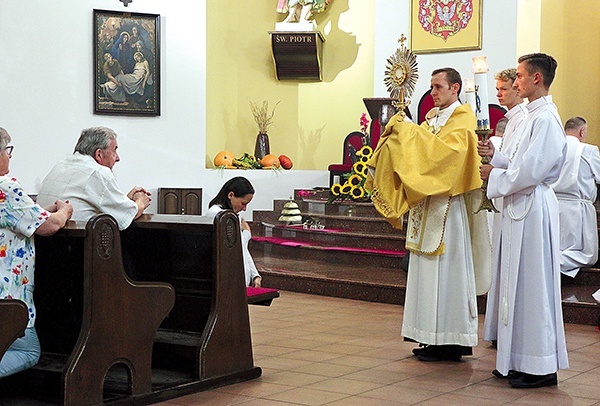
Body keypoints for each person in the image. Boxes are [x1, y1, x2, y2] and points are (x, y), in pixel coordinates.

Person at [366, 67, 490, 362]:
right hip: (426, 205)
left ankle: (451, 340)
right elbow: (416, 155)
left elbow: (446, 157)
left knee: (447, 273)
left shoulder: (464, 120)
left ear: (455, 88)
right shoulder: (432, 120)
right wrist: (399, 133)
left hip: (449, 209)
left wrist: (409, 131)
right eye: (431, 87)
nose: (432, 92)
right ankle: (428, 335)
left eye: (438, 87)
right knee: (425, 273)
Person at [479, 53, 569, 388]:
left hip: (533, 207)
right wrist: (498, 159)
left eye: (518, 76)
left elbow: (533, 170)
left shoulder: (546, 118)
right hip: (522, 206)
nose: (514, 83)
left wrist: (495, 176)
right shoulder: (532, 117)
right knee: (518, 289)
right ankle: (519, 360)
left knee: (533, 289)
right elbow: (520, 160)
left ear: (535, 79)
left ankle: (541, 366)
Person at [0, 127, 73, 378]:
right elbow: (49, 226)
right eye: (7, 150)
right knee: (28, 351)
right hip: (8, 294)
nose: (10, 156)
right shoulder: (5, 186)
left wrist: (43, 209)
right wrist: (63, 211)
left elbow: (15, 217)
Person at [483, 68, 528, 346]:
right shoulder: (511, 120)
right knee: (500, 265)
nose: (498, 93)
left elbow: (523, 166)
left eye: (503, 88)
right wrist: (494, 155)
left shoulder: (525, 119)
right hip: (507, 198)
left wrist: (495, 171)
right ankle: (500, 329)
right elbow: (510, 158)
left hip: (519, 199)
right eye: (496, 88)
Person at [36, 127, 150, 231]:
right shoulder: (98, 171)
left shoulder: (60, 166)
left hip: (45, 247)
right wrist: (140, 202)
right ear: (99, 154)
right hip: (78, 248)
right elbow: (127, 216)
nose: (118, 158)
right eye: (114, 150)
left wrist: (126, 200)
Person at [550, 116, 600, 277]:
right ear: (582, 131)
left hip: (553, 205)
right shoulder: (588, 151)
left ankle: (551, 262)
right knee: (586, 254)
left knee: (556, 245)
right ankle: (555, 263)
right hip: (578, 209)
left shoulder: (554, 148)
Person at [206, 177, 262, 288]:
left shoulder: (232, 215)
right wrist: (247, 234)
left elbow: (243, 249)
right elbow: (234, 246)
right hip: (227, 283)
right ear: (231, 195)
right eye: (243, 203)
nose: (245, 208)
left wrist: (255, 275)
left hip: (238, 282)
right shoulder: (216, 214)